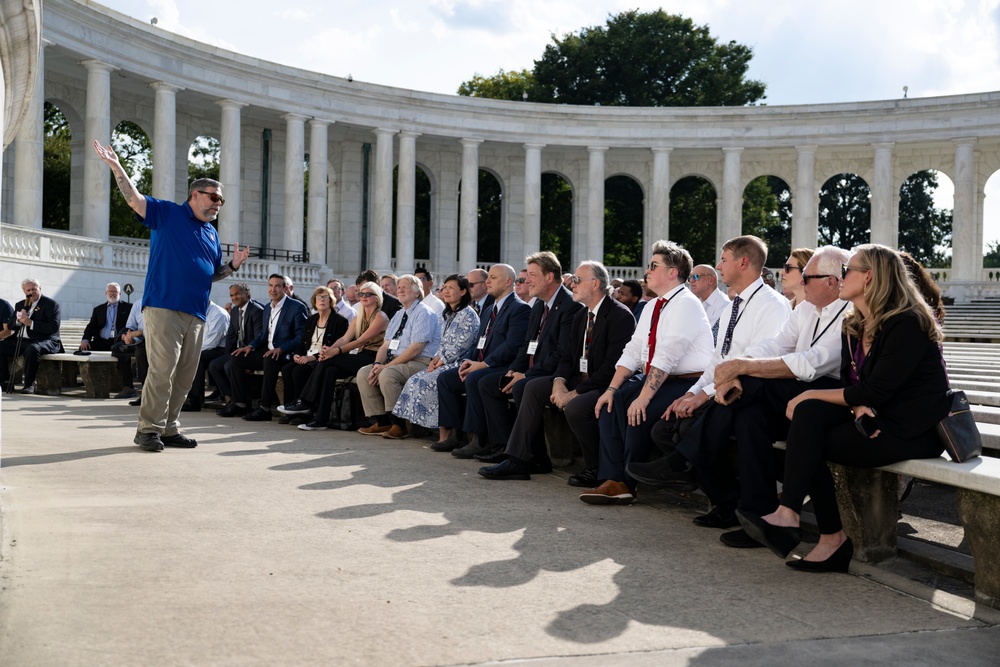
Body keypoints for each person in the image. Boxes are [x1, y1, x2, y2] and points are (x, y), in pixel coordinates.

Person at [737, 244, 951, 573]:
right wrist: (857, 405)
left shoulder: (906, 322)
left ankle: (821, 532)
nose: (841, 277)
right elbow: (854, 382)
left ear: (869, 277)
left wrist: (812, 397)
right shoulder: (855, 323)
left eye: (847, 270)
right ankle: (799, 520)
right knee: (809, 424)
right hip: (875, 416)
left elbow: (877, 388)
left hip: (911, 429)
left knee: (810, 430)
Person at [629, 246, 850, 545]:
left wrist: (741, 368)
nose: (799, 280)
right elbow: (773, 346)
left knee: (746, 385)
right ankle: (758, 519)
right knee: (748, 418)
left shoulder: (847, 314)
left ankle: (683, 461)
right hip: (787, 390)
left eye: (807, 276)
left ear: (833, 282)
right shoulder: (806, 309)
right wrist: (732, 370)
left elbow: (813, 363)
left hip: (826, 395)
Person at [94, 140, 250, 452]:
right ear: (195, 194)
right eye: (214, 197)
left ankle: (169, 428)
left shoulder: (211, 233)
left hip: (197, 314)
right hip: (164, 307)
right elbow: (135, 200)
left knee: (185, 377)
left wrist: (232, 266)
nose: (218, 204)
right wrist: (117, 167)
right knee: (162, 370)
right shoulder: (167, 213)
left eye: (222, 200)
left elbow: (211, 273)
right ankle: (147, 429)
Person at [579, 241, 715, 505]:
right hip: (659, 377)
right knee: (611, 403)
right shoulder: (653, 306)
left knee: (638, 410)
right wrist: (611, 388)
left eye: (654, 266)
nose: (647, 271)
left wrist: (643, 396)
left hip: (687, 382)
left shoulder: (686, 303)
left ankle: (628, 482)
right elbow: (633, 350)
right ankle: (613, 478)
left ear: (673, 272)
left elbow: (668, 355)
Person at [478, 261, 635, 481]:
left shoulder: (620, 316)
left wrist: (573, 393)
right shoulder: (583, 315)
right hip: (575, 378)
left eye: (578, 280)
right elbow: (567, 357)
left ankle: (595, 467)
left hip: (604, 383)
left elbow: (612, 367)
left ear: (595, 284)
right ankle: (519, 459)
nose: (572, 284)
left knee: (576, 406)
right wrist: (559, 382)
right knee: (530, 387)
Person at [467, 251, 582, 461]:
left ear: (549, 277)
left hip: (555, 374)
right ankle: (501, 445)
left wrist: (527, 374)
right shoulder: (539, 304)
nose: (526, 280)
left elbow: (562, 354)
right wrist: (516, 369)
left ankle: (531, 456)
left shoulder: (570, 305)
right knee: (489, 383)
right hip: (533, 370)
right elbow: (527, 345)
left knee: (522, 386)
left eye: (531, 275)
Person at [434, 264, 530, 452]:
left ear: (508, 281)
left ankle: (479, 438)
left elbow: (512, 346)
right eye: (488, 278)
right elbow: (478, 343)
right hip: (482, 363)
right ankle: (457, 435)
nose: (487, 281)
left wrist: (483, 364)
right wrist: (467, 362)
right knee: (446, 378)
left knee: (475, 378)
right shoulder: (488, 310)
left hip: (502, 366)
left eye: (493, 278)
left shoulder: (520, 309)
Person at [281, 282, 389, 430]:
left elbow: (360, 341)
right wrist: (329, 350)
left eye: (368, 294)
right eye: (361, 294)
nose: (363, 297)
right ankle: (321, 419)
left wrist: (335, 352)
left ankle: (305, 401)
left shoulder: (380, 316)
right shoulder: (360, 316)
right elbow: (345, 339)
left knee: (328, 361)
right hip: (360, 356)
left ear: (377, 298)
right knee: (329, 371)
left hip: (374, 357)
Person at [393, 274, 480, 440]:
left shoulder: (468, 314)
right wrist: (435, 359)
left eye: (451, 288)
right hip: (443, 360)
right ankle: (423, 427)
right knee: (415, 380)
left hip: (460, 362)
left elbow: (463, 343)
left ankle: (445, 434)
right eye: (444, 288)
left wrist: (441, 361)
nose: (446, 291)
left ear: (463, 292)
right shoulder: (449, 314)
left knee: (427, 381)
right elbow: (442, 342)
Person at [356, 275, 441, 437]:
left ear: (417, 293)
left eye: (406, 287)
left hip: (419, 362)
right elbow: (385, 345)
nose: (400, 289)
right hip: (395, 361)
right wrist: (376, 364)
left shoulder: (424, 313)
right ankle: (382, 422)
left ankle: (399, 425)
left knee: (388, 374)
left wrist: (385, 367)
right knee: (364, 373)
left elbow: (416, 348)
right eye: (399, 287)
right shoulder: (399, 314)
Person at [223, 274, 308, 421]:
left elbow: (301, 337)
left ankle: (265, 408)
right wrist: (250, 346)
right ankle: (240, 402)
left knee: (269, 360)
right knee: (236, 359)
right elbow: (263, 334)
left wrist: (281, 348)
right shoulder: (268, 307)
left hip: (286, 353)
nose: (273, 289)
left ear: (285, 288)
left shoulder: (296, 307)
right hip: (267, 350)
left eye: (277, 286)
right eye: (270, 285)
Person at [277, 286, 350, 423]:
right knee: (287, 369)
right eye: (318, 297)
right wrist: (297, 355)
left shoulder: (339, 321)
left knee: (299, 371)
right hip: (306, 356)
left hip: (323, 358)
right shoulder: (312, 319)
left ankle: (304, 412)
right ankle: (290, 410)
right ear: (314, 301)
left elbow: (334, 347)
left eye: (325, 297)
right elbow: (303, 341)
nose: (321, 300)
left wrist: (312, 358)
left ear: (331, 300)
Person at [1, 278, 62, 394]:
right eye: (28, 290)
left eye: (34, 289)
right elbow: (11, 325)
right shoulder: (20, 305)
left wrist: (31, 323)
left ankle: (29, 384)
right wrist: (19, 320)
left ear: (40, 288)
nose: (31, 292)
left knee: (32, 349)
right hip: (21, 340)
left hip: (44, 340)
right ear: (24, 292)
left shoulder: (51, 304)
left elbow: (53, 327)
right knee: (1, 346)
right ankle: (3, 381)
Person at [208, 283, 263, 409]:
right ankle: (231, 397)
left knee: (230, 365)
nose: (234, 298)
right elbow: (231, 337)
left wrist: (248, 355)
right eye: (232, 295)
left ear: (247, 294)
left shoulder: (256, 310)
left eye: (237, 294)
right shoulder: (234, 311)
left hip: (252, 351)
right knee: (214, 365)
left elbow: (259, 337)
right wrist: (227, 354)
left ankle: (240, 402)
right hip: (238, 351)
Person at [80, 282, 136, 399]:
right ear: (106, 293)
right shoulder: (98, 309)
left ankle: (128, 387)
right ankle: (85, 380)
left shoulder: (129, 307)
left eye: (115, 292)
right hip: (102, 341)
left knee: (123, 354)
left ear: (120, 293)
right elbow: (91, 326)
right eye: (110, 291)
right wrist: (85, 340)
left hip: (118, 341)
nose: (112, 294)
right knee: (82, 350)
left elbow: (132, 325)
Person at [182, 300, 230, 411]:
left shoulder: (219, 314)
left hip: (220, 349)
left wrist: (192, 352)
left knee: (195, 359)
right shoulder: (197, 312)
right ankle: (185, 397)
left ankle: (195, 400)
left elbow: (213, 342)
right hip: (204, 348)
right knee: (185, 357)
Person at [687, 264, 731, 340]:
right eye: (689, 277)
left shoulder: (725, 306)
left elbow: (712, 339)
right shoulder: (696, 304)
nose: (691, 281)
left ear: (711, 280)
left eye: (696, 276)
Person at [119, 296, 147, 406]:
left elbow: (158, 327)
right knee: (142, 366)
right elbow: (131, 327)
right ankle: (145, 396)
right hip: (143, 341)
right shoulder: (138, 304)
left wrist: (138, 333)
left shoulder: (165, 301)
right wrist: (129, 338)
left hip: (161, 340)